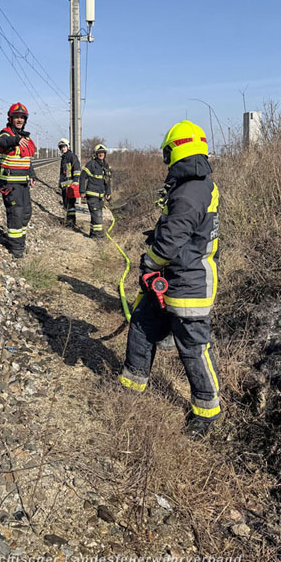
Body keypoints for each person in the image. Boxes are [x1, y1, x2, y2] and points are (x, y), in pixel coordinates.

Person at [118, 120, 221, 438]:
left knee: (192, 347)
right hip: (171, 278)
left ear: (175, 151)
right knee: (142, 326)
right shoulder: (195, 184)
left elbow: (173, 238)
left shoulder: (190, 191)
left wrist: (148, 263)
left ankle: (207, 411)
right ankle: (131, 392)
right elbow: (182, 229)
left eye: (166, 153)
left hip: (188, 285)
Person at [0, 103, 36, 259]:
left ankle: (20, 242)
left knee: (26, 213)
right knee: (16, 213)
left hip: (23, 183)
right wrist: (15, 140)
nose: (19, 120)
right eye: (16, 117)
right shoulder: (5, 134)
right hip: (10, 184)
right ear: (10, 118)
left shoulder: (25, 138)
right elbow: (3, 142)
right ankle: (15, 248)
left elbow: (27, 160)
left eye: (22, 117)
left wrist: (32, 174)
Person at [79, 143, 111, 238]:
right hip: (92, 195)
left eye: (103, 153)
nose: (101, 154)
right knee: (97, 215)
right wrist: (82, 191)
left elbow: (108, 181)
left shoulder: (105, 166)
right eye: (99, 153)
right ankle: (99, 235)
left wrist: (108, 192)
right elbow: (82, 177)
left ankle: (93, 234)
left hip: (100, 196)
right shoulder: (91, 164)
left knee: (97, 215)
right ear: (96, 154)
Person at [58, 138, 81, 228]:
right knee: (67, 204)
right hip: (65, 187)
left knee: (71, 205)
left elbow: (77, 168)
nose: (63, 149)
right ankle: (68, 220)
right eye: (61, 147)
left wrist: (75, 180)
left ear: (68, 146)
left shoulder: (71, 156)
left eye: (64, 147)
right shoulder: (64, 158)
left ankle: (71, 222)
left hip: (70, 186)